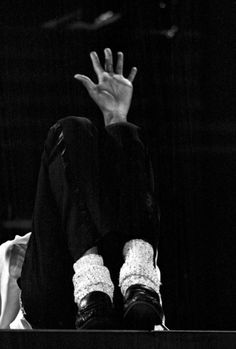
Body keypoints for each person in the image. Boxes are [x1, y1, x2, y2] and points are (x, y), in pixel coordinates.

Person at [2, 48, 166, 330]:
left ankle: (120, 283)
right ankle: (100, 279)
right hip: (55, 301)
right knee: (72, 128)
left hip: (118, 296)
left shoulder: (123, 223)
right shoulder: (49, 229)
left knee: (85, 129)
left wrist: (116, 116)